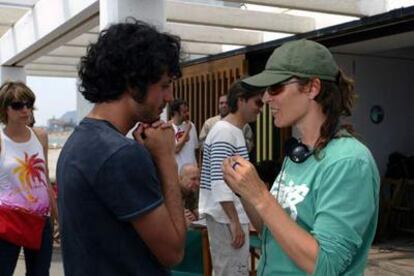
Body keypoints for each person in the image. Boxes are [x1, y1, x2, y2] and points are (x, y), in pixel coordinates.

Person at [222, 39, 380, 275]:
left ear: (312, 88)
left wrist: (260, 195)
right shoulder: (298, 155)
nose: (266, 98)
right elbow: (271, 232)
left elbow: (325, 266)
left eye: (275, 87)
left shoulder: (349, 162)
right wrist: (244, 191)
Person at [56, 19, 186, 275]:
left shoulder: (78, 142)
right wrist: (167, 159)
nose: (169, 97)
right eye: (164, 85)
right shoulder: (120, 154)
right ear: (133, 82)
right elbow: (174, 253)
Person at [198, 79, 264, 276]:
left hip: (227, 215)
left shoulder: (230, 130)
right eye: (258, 102)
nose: (260, 109)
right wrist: (234, 221)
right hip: (225, 216)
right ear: (241, 100)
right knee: (231, 272)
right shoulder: (225, 131)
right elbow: (220, 180)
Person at [0, 81, 57, 276]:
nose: (25, 110)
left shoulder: (40, 135)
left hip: (40, 221)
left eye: (29, 104)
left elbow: (45, 180)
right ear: (5, 109)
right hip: (8, 222)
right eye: (17, 105)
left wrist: (58, 219)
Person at [170, 98, 199, 171]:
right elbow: (176, 149)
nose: (187, 114)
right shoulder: (168, 128)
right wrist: (187, 132)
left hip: (192, 170)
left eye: (187, 111)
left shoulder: (191, 125)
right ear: (176, 113)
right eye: (184, 112)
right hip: (178, 171)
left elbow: (196, 149)